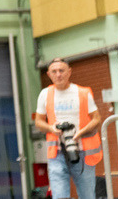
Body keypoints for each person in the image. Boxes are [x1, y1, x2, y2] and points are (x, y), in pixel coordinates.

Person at [34, 58, 102, 199]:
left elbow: (97, 118)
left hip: (83, 152)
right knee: (59, 196)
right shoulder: (45, 94)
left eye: (61, 70)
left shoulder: (82, 92)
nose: (58, 74)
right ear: (49, 74)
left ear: (69, 72)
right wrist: (52, 128)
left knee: (87, 195)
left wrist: (81, 132)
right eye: (54, 71)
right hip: (57, 154)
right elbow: (38, 122)